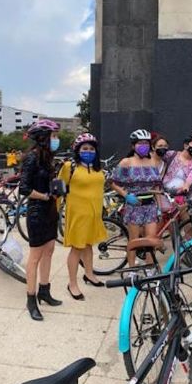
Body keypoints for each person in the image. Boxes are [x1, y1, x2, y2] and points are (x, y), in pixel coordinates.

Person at [20, 119, 63, 321]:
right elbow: (24, 189)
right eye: (53, 136)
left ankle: (44, 291)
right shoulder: (32, 158)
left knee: (50, 250)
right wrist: (45, 196)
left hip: (50, 210)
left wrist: (58, 189)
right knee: (35, 256)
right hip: (37, 211)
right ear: (43, 138)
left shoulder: (48, 157)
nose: (56, 140)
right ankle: (31, 299)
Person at [59, 133, 107, 300]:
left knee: (88, 245)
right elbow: (58, 191)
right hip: (78, 215)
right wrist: (54, 211)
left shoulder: (97, 168)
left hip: (94, 214)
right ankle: (72, 283)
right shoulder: (69, 167)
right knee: (77, 248)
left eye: (91, 149)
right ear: (77, 150)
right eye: (84, 149)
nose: (88, 151)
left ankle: (89, 274)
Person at [110, 129, 162, 268]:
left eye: (146, 143)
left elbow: (157, 186)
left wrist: (159, 206)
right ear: (133, 146)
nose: (143, 145)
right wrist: (126, 195)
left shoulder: (153, 163)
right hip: (134, 206)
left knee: (151, 240)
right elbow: (113, 182)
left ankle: (150, 268)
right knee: (134, 240)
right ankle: (131, 268)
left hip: (150, 205)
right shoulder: (126, 162)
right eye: (140, 143)